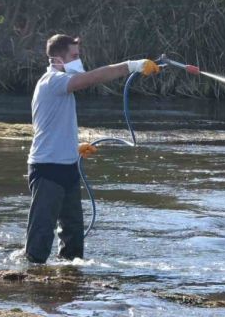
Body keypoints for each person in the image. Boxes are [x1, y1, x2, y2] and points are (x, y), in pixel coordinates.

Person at [23, 34, 159, 263]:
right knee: (40, 238)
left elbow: (52, 125)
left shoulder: (60, 86)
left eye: (78, 56)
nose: (78, 60)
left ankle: (70, 285)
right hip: (46, 170)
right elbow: (90, 79)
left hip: (68, 168)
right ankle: (32, 283)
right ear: (57, 59)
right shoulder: (51, 81)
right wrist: (132, 66)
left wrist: (73, 147)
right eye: (74, 56)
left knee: (73, 238)